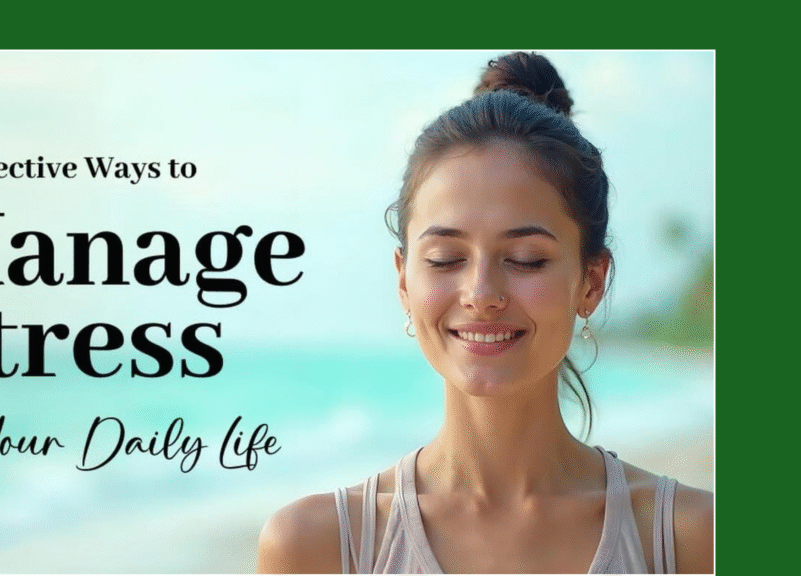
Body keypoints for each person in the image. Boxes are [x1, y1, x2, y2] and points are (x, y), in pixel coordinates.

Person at [256, 52, 713, 574]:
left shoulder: (692, 540)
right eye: (446, 259)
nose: (482, 292)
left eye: (525, 260)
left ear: (591, 282)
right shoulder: (320, 547)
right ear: (404, 280)